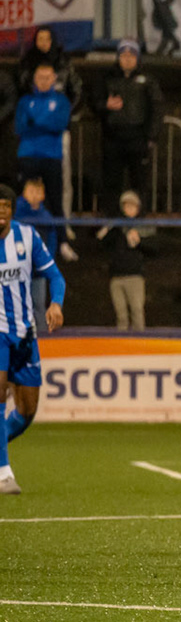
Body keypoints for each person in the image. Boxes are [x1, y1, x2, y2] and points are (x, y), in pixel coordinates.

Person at [0, 182, 66, 495]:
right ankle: (4, 474)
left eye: (5, 208)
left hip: (25, 335)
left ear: (12, 211)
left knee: (26, 412)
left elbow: (55, 275)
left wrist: (56, 303)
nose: (1, 214)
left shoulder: (26, 237)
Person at [15, 62, 76, 263]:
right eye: (39, 77)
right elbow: (20, 127)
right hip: (28, 155)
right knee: (24, 200)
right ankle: (19, 244)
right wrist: (45, 123)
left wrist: (36, 122)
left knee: (55, 200)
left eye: (47, 77)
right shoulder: (25, 101)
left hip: (52, 156)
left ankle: (63, 243)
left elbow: (59, 124)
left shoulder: (61, 101)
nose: (43, 81)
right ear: (34, 79)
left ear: (54, 79)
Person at [94, 39, 165, 207]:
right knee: (111, 182)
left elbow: (157, 108)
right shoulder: (107, 79)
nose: (127, 59)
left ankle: (139, 218)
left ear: (137, 58)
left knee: (139, 182)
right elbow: (94, 102)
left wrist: (151, 136)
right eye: (123, 55)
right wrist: (105, 105)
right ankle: (111, 218)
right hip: (113, 138)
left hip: (138, 139)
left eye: (131, 56)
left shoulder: (147, 80)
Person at [96, 190, 153, 330]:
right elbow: (102, 243)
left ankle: (139, 342)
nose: (129, 209)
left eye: (132, 205)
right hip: (116, 277)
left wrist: (139, 240)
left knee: (137, 312)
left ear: (138, 208)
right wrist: (114, 229)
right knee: (121, 316)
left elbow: (154, 248)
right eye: (126, 205)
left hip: (135, 277)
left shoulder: (144, 226)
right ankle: (122, 343)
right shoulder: (115, 226)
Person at [15, 177, 59, 329]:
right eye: (31, 191)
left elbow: (52, 239)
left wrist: (47, 259)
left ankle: (42, 338)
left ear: (43, 195)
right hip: (17, 269)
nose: (34, 195)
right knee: (17, 306)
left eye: (38, 192)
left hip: (37, 271)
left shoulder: (46, 216)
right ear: (24, 193)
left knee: (39, 305)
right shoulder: (15, 213)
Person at [13, 27, 81, 109]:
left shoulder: (63, 61)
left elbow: (75, 90)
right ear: (35, 41)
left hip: (59, 109)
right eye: (40, 39)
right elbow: (20, 89)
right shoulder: (27, 61)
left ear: (52, 41)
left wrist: (65, 110)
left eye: (47, 39)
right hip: (33, 109)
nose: (44, 43)